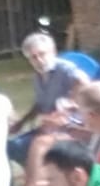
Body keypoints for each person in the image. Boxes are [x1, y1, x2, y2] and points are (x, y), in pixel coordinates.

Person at [7, 32, 90, 174]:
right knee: (12, 146)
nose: (39, 60)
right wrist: (21, 122)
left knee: (22, 147)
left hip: (70, 128)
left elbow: (83, 81)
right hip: (48, 128)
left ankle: (40, 175)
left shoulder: (64, 68)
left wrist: (68, 105)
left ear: (53, 52)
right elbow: (40, 104)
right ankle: (37, 173)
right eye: (33, 57)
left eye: (42, 54)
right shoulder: (37, 77)